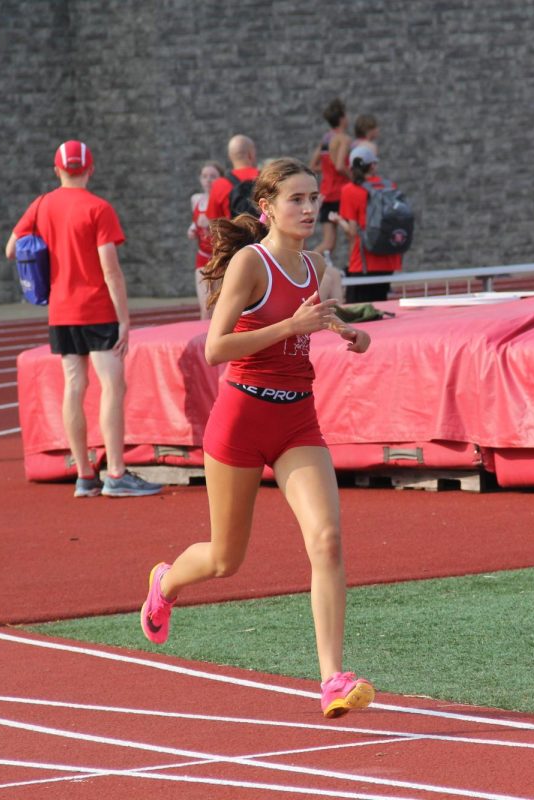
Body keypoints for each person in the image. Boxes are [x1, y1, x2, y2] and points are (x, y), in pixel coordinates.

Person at [138, 157, 375, 719]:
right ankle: (166, 583)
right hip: (242, 418)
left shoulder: (315, 266)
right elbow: (215, 348)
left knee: (328, 540)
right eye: (296, 199)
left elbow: (314, 318)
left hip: (298, 421)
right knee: (225, 559)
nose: (310, 208)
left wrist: (345, 329)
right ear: (266, 206)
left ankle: (332, 679)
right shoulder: (251, 263)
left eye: (314, 198)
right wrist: (291, 327)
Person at [4, 140, 163, 499]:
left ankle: (84, 475)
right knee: (112, 386)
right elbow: (111, 269)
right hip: (96, 308)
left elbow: (12, 248)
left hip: (60, 309)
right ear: (90, 169)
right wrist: (124, 318)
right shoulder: (99, 208)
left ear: (56, 169)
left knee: (74, 386)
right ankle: (117, 473)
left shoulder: (42, 205)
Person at [332, 145, 402, 303]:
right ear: (373, 165)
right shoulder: (389, 186)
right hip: (388, 259)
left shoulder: (350, 190)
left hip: (363, 262)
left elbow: (351, 231)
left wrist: (339, 220)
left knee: (359, 312)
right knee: (382, 309)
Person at [309, 99, 350, 266]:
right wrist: (354, 177)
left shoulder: (325, 139)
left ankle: (303, 265)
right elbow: (340, 165)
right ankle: (355, 272)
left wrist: (327, 170)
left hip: (326, 193)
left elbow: (313, 165)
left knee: (328, 243)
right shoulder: (343, 139)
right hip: (341, 193)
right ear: (341, 119)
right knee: (352, 235)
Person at [187, 160, 225, 319]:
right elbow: (195, 221)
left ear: (221, 179)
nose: (208, 180)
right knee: (205, 307)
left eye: (213, 176)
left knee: (219, 308)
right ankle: (204, 343)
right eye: (204, 176)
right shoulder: (196, 199)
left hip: (221, 258)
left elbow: (231, 225)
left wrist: (211, 224)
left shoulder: (223, 199)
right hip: (202, 257)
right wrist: (193, 228)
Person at [207, 135, 259, 221]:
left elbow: (214, 221)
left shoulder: (219, 185)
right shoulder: (266, 177)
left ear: (230, 156)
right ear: (251, 154)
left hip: (234, 233)